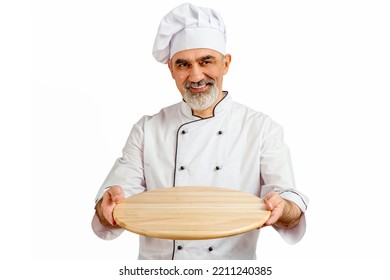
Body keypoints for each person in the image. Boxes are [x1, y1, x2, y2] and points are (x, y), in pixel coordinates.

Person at [92, 2, 309, 260]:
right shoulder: (147, 129)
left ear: (226, 64)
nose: (196, 76)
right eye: (183, 64)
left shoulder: (261, 128)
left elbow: (290, 206)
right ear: (171, 69)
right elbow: (110, 207)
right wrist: (108, 205)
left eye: (206, 61)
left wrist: (282, 208)